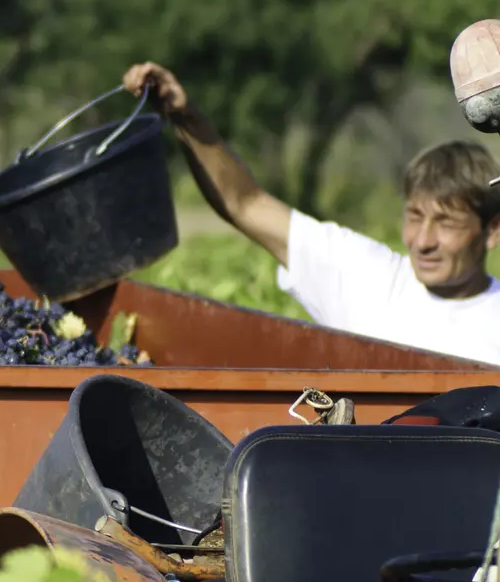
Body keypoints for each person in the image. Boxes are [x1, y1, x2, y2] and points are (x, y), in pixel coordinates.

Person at [122, 61, 500, 365]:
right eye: (415, 216)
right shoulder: (370, 281)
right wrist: (185, 117)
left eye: (446, 222)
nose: (422, 241)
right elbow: (246, 204)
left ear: (492, 231)